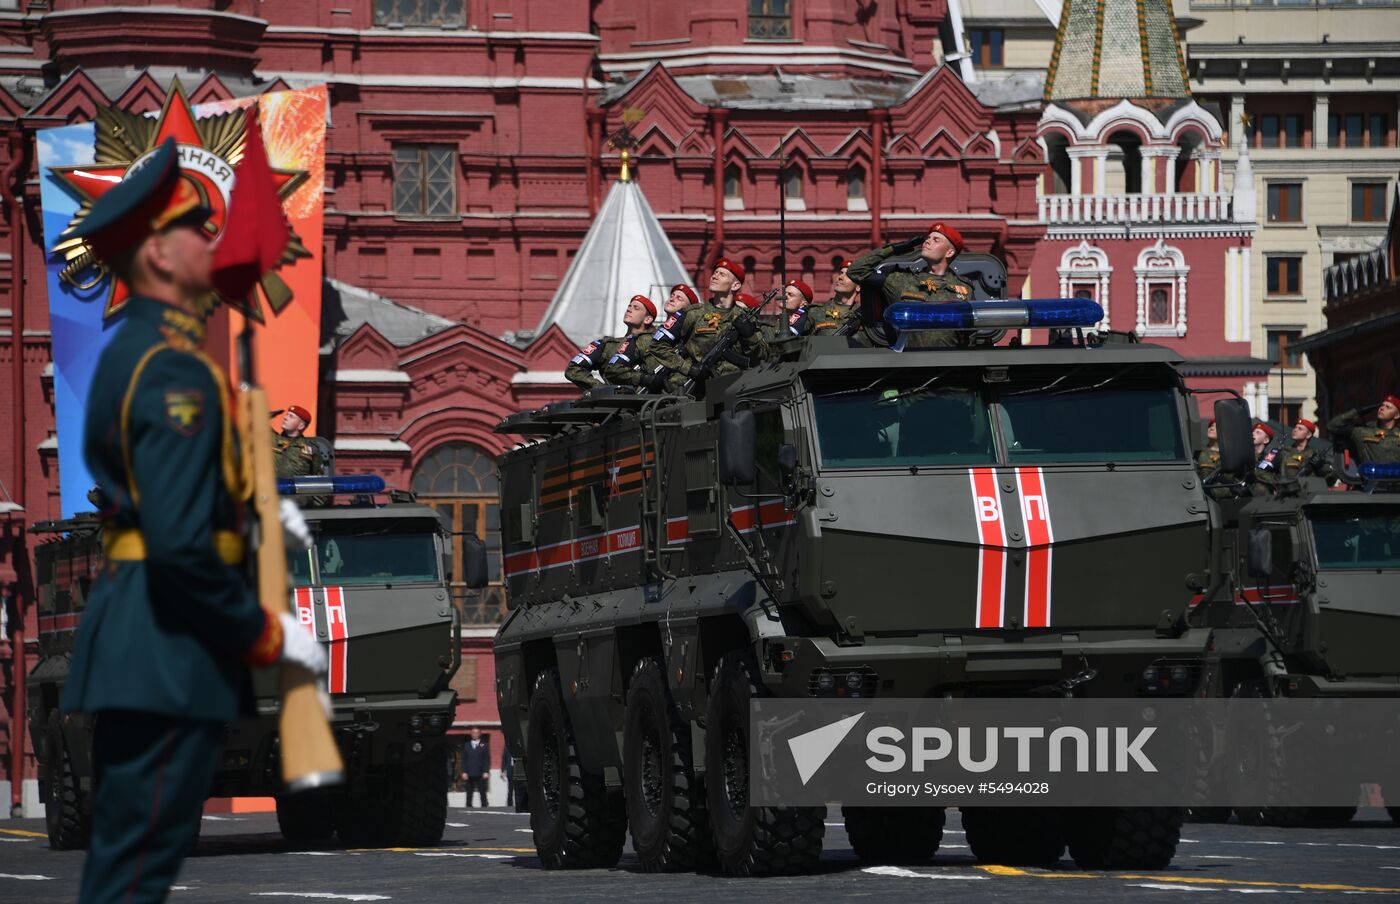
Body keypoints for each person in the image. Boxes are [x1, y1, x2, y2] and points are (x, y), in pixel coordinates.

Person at [57, 138, 327, 903]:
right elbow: (179, 541)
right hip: (164, 640)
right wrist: (264, 633)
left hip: (151, 633)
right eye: (192, 231)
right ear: (156, 258)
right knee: (136, 866)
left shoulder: (151, 352)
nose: (211, 243)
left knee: (137, 861)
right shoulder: (170, 370)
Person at [646, 258, 767, 392]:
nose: (714, 276)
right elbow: (657, 344)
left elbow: (763, 356)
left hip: (735, 389)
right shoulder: (693, 313)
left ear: (735, 286)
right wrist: (687, 368)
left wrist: (750, 336)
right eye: (715, 272)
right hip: (699, 391)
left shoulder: (745, 317)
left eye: (722, 274)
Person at [846, 223, 974, 348]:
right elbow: (855, 271)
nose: (927, 241)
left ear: (949, 252)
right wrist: (894, 249)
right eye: (928, 238)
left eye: (936, 240)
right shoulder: (901, 279)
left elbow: (972, 331)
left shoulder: (964, 288)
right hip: (911, 363)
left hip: (952, 364)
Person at [564, 294, 657, 390]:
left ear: (648, 319)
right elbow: (573, 369)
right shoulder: (607, 345)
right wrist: (602, 389)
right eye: (629, 306)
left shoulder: (658, 344)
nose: (629, 309)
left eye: (636, 308)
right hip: (617, 402)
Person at [1327, 394, 1400, 465]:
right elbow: (1332, 425)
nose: (1382, 408)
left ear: (1397, 415)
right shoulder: (1363, 431)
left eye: (1388, 407)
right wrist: (1357, 412)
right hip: (1372, 476)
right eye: (1382, 405)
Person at [809, 258, 859, 334]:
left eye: (848, 275)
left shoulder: (864, 316)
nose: (840, 277)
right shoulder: (814, 312)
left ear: (858, 286)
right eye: (841, 273)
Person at [272, 405, 321, 478]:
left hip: (297, 488)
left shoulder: (311, 448)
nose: (285, 418)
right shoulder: (271, 438)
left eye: (291, 416)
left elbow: (318, 477)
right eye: (287, 415)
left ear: (300, 426)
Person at [763, 278, 815, 344]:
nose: (785, 296)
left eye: (790, 295)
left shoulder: (807, 320)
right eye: (785, 293)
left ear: (803, 303)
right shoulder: (775, 321)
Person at [461, 727, 491, 808]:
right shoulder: (467, 745)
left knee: (482, 791)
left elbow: (486, 760)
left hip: (480, 772)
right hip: (469, 772)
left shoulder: (484, 745)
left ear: (479, 734)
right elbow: (464, 759)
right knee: (469, 791)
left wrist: (486, 771)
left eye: (476, 733)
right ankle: (468, 805)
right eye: (473, 733)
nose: (474, 734)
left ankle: (484, 805)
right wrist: (464, 771)